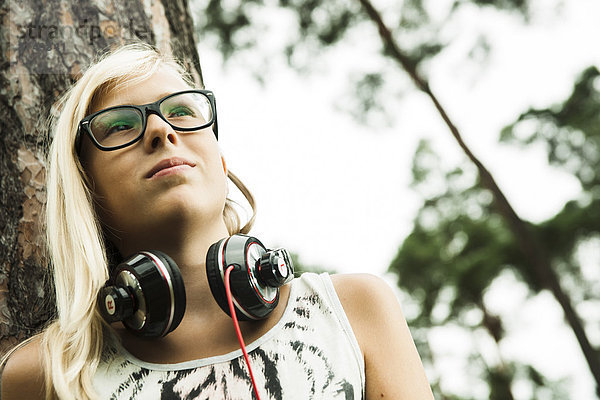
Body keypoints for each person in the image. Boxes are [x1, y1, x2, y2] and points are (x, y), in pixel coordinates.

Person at [0, 43, 434, 400]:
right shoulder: (43, 376)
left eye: (183, 112)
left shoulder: (355, 311)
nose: (161, 131)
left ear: (221, 163)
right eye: (119, 126)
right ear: (85, 187)